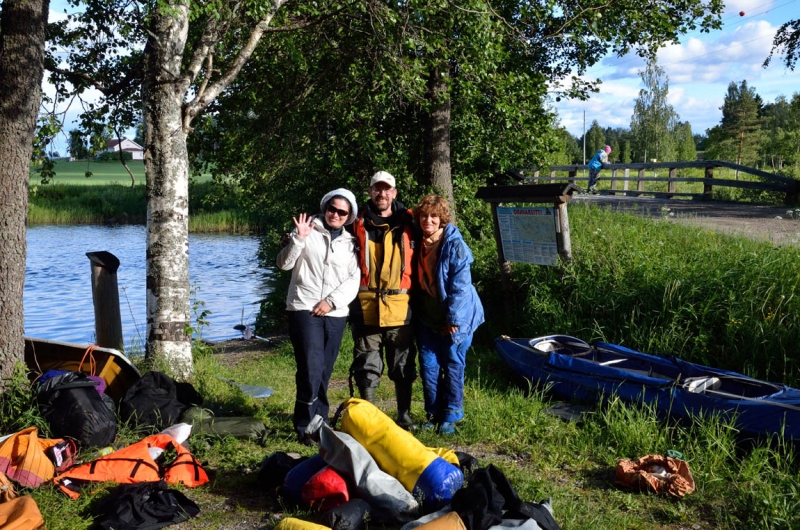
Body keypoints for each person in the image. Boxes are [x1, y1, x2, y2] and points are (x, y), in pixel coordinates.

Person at [276, 188, 360, 445]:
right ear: (325, 207)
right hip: (304, 307)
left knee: (324, 371)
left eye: (342, 212)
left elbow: (353, 278)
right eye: (332, 208)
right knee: (310, 368)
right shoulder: (306, 230)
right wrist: (298, 239)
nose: (335, 214)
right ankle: (304, 425)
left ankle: (320, 422)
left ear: (349, 216)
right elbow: (284, 264)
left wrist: (331, 302)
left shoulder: (351, 242)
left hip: (335, 312)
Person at [348, 171, 418, 430]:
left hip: (401, 309)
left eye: (387, 189)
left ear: (394, 193)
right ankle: (371, 419)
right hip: (365, 308)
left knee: (403, 363)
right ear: (369, 192)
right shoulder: (354, 222)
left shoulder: (411, 222)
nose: (382, 193)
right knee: (367, 364)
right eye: (377, 189)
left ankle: (404, 416)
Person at [412, 194, 484, 434]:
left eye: (434, 216)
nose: (428, 220)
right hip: (427, 317)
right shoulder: (417, 241)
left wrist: (454, 320)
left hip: (458, 315)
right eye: (424, 216)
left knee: (452, 363)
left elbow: (461, 285)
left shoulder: (455, 245)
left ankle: (451, 415)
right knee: (428, 365)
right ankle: (433, 413)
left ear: (442, 219)